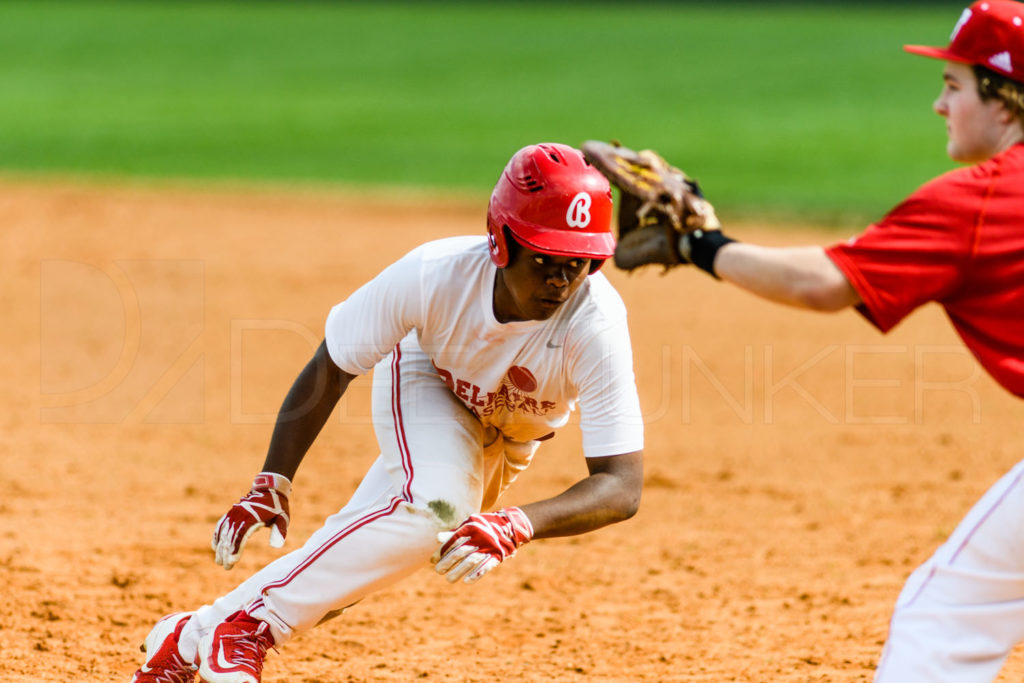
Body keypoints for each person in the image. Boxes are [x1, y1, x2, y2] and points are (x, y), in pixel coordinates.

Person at [129, 142, 645, 683]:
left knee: (371, 558)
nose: (562, 281)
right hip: (431, 380)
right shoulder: (434, 275)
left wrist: (520, 523)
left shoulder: (596, 322)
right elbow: (332, 365)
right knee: (438, 510)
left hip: (512, 437)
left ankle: (189, 639)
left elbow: (620, 485)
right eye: (544, 258)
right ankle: (245, 629)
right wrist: (273, 479)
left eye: (579, 262)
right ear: (501, 240)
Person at [641, 2, 1024, 680]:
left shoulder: (983, 198)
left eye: (955, 86)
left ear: (1004, 102)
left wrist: (699, 244)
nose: (940, 105)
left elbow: (822, 282)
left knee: (945, 612)